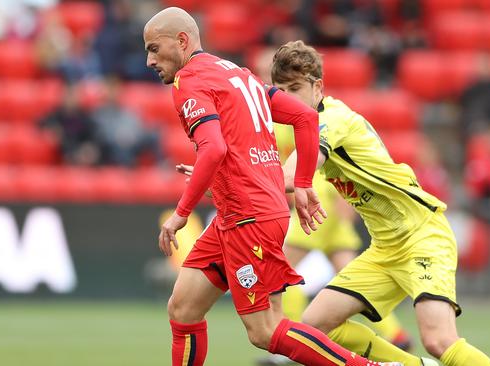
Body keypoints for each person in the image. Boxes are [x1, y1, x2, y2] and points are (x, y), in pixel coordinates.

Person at [144, 7, 398, 366]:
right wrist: (304, 182)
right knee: (183, 307)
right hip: (243, 214)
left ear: (182, 41)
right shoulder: (236, 73)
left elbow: (214, 148)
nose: (149, 60)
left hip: (250, 219)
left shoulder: (191, 81)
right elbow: (304, 116)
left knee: (264, 330)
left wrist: (181, 214)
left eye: (154, 48)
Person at [272, 41, 490, 366]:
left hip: (422, 236)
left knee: (438, 340)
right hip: (386, 247)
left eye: (295, 88)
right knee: (313, 328)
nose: (287, 99)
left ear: (317, 87)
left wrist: (232, 186)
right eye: (280, 91)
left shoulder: (331, 121)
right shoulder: (310, 123)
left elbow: (293, 175)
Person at [257, 123, 413, 366]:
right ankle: (396, 335)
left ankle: (295, 341)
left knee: (280, 270)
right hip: (331, 197)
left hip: (315, 203)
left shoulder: (279, 122)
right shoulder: (309, 119)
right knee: (351, 276)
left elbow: (287, 161)